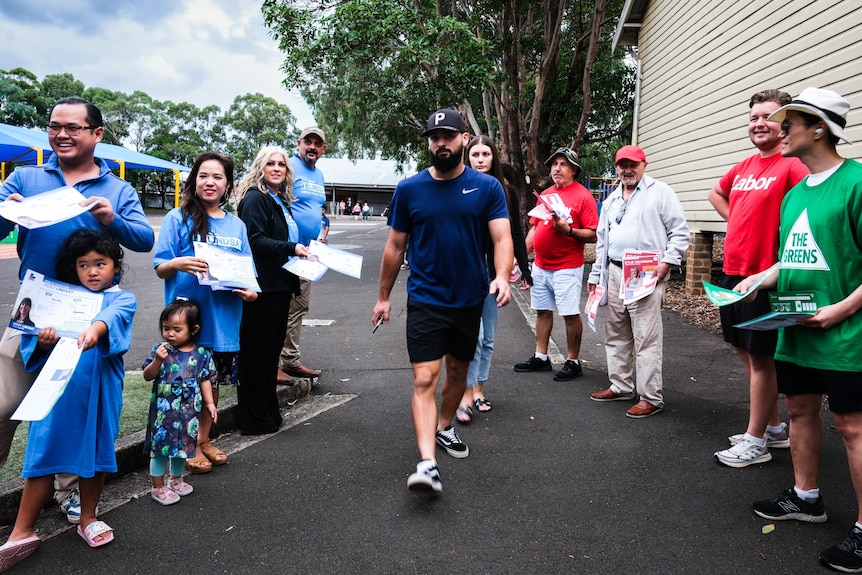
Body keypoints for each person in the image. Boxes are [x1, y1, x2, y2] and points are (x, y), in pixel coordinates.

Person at [0, 96, 154, 525]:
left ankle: (69, 493)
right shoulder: (26, 177)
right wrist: (5, 210)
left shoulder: (116, 189)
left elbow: (143, 239)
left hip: (89, 315)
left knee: (74, 406)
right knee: (4, 402)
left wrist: (112, 220)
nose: (61, 134)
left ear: (96, 134)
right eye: (54, 126)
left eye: (73, 127)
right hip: (32, 312)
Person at [731, 88, 862, 573]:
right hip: (797, 326)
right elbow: (793, 257)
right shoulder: (793, 194)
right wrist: (759, 279)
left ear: (819, 128)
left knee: (852, 427)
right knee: (800, 411)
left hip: (846, 333)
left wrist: (841, 310)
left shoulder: (857, 182)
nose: (778, 131)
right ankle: (807, 498)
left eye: (789, 124)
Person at [373, 108, 513, 493]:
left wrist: (501, 275)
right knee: (423, 377)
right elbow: (395, 246)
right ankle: (427, 463)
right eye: (434, 137)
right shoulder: (409, 189)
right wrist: (384, 297)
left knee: (456, 375)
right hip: (425, 298)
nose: (441, 143)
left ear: (464, 138)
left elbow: (501, 238)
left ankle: (445, 425)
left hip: (468, 299)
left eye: (448, 136)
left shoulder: (487, 188)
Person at [0, 229, 136, 569]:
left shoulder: (121, 297)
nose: (92, 271)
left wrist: (95, 328)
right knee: (44, 454)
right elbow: (33, 344)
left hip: (99, 390)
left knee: (95, 454)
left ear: (115, 266)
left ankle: (88, 518)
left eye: (100, 263)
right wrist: (44, 341)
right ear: (73, 268)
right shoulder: (56, 298)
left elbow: (114, 316)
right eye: (83, 264)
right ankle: (21, 532)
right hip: (56, 390)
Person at [708, 90, 808, 468]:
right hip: (734, 270)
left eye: (767, 116)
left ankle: (755, 442)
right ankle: (775, 428)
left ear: (784, 123)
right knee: (743, 349)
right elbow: (716, 192)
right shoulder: (745, 166)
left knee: (762, 357)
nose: (758, 123)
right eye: (753, 117)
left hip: (765, 276)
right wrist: (738, 220)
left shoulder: (791, 165)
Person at [153, 152, 257, 473]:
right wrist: (179, 263)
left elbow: (249, 274)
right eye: (203, 176)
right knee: (186, 388)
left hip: (224, 320)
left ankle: (203, 440)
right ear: (194, 180)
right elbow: (160, 266)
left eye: (217, 177)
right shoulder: (176, 218)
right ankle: (185, 447)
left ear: (228, 184)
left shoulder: (236, 225)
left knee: (212, 384)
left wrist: (251, 292)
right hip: (188, 323)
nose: (209, 182)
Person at [588, 145, 690, 418]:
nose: (627, 170)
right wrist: (596, 275)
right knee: (617, 333)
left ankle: (650, 397)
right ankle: (620, 385)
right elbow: (602, 242)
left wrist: (667, 262)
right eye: (622, 165)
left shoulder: (660, 192)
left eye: (633, 164)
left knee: (646, 337)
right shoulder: (611, 201)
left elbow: (680, 232)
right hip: (615, 271)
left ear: (644, 164)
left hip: (645, 271)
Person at [456, 135, 532, 424]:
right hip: (466, 272)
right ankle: (464, 391)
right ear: (468, 157)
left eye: (486, 154)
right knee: (471, 336)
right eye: (474, 154)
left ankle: (479, 389)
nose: (480, 159)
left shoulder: (505, 190)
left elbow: (514, 233)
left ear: (493, 158)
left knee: (487, 337)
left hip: (492, 272)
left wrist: (523, 268)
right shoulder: (459, 187)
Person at [236, 146, 309, 434]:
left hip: (280, 287)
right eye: (271, 164)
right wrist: (292, 248)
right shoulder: (255, 199)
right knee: (256, 355)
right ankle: (253, 419)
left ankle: (268, 413)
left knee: (270, 355)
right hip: (261, 288)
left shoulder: (279, 200)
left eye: (281, 164)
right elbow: (255, 240)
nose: (277, 168)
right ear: (260, 169)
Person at [513, 147, 598, 381]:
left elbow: (593, 234)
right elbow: (535, 228)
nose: (557, 168)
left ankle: (573, 361)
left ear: (574, 170)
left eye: (563, 164)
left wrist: (569, 231)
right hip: (541, 266)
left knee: (570, 314)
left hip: (567, 267)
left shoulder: (583, 197)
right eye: (554, 164)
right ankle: (541, 357)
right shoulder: (547, 194)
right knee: (542, 311)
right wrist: (520, 259)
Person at [142, 299, 217, 506]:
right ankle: (157, 486)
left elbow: (205, 380)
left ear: (193, 329)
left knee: (184, 446)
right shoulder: (161, 350)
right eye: (166, 328)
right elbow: (148, 375)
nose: (170, 334)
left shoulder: (201, 354)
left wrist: (210, 404)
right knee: (161, 448)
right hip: (164, 413)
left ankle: (175, 479)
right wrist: (157, 360)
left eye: (176, 329)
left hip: (189, 411)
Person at [278, 127, 326, 382]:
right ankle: (274, 362)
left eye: (317, 144)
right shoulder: (288, 166)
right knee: (277, 306)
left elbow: (315, 208)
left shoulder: (318, 174)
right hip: (285, 251)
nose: (312, 147)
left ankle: (290, 361)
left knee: (299, 306)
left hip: (307, 253)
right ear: (299, 143)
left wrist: (320, 237)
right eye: (308, 141)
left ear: (323, 149)